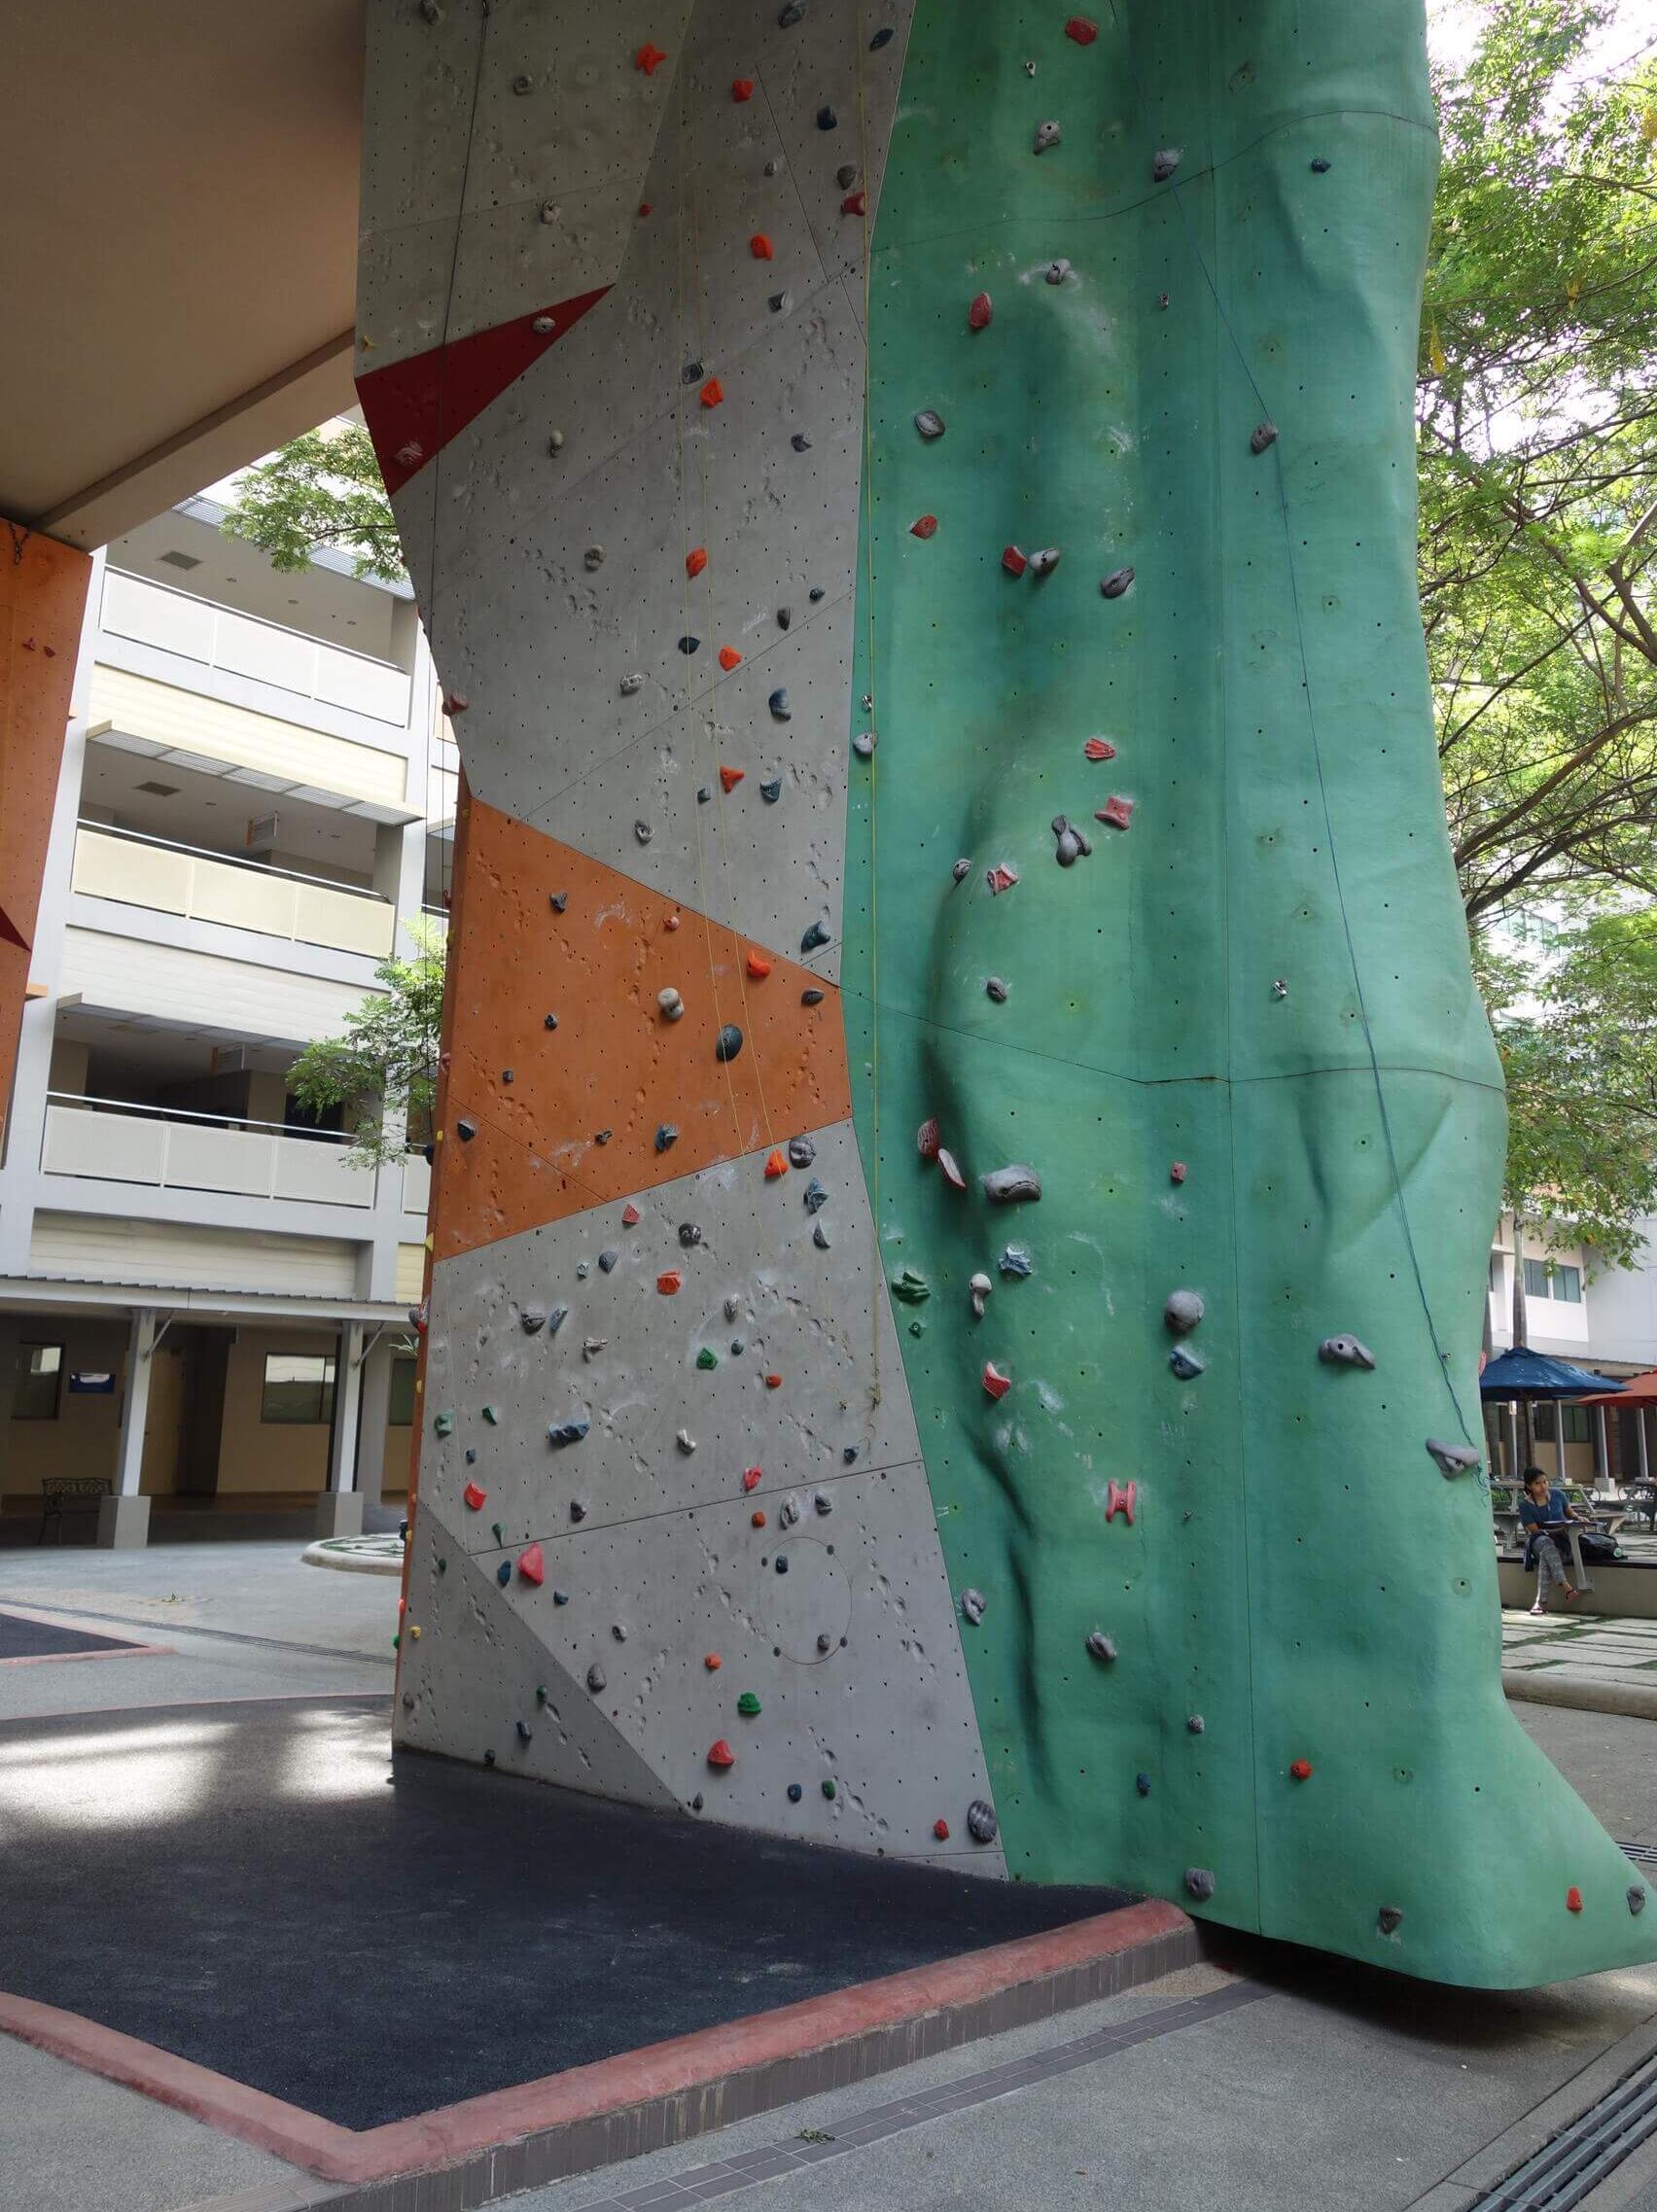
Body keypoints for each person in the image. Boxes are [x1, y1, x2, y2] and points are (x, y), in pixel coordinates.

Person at [1519, 1465, 1590, 1614]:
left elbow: (1570, 1513)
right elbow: (1535, 1531)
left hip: (1563, 1543)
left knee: (1547, 1554)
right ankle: (1567, 1587)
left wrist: (1578, 1518)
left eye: (1545, 1482)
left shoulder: (1558, 1495)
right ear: (1529, 1486)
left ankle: (1540, 1603)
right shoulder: (1525, 1506)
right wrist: (1560, 1529)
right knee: (1545, 1542)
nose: (1543, 1486)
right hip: (1540, 1541)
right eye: (1537, 1483)